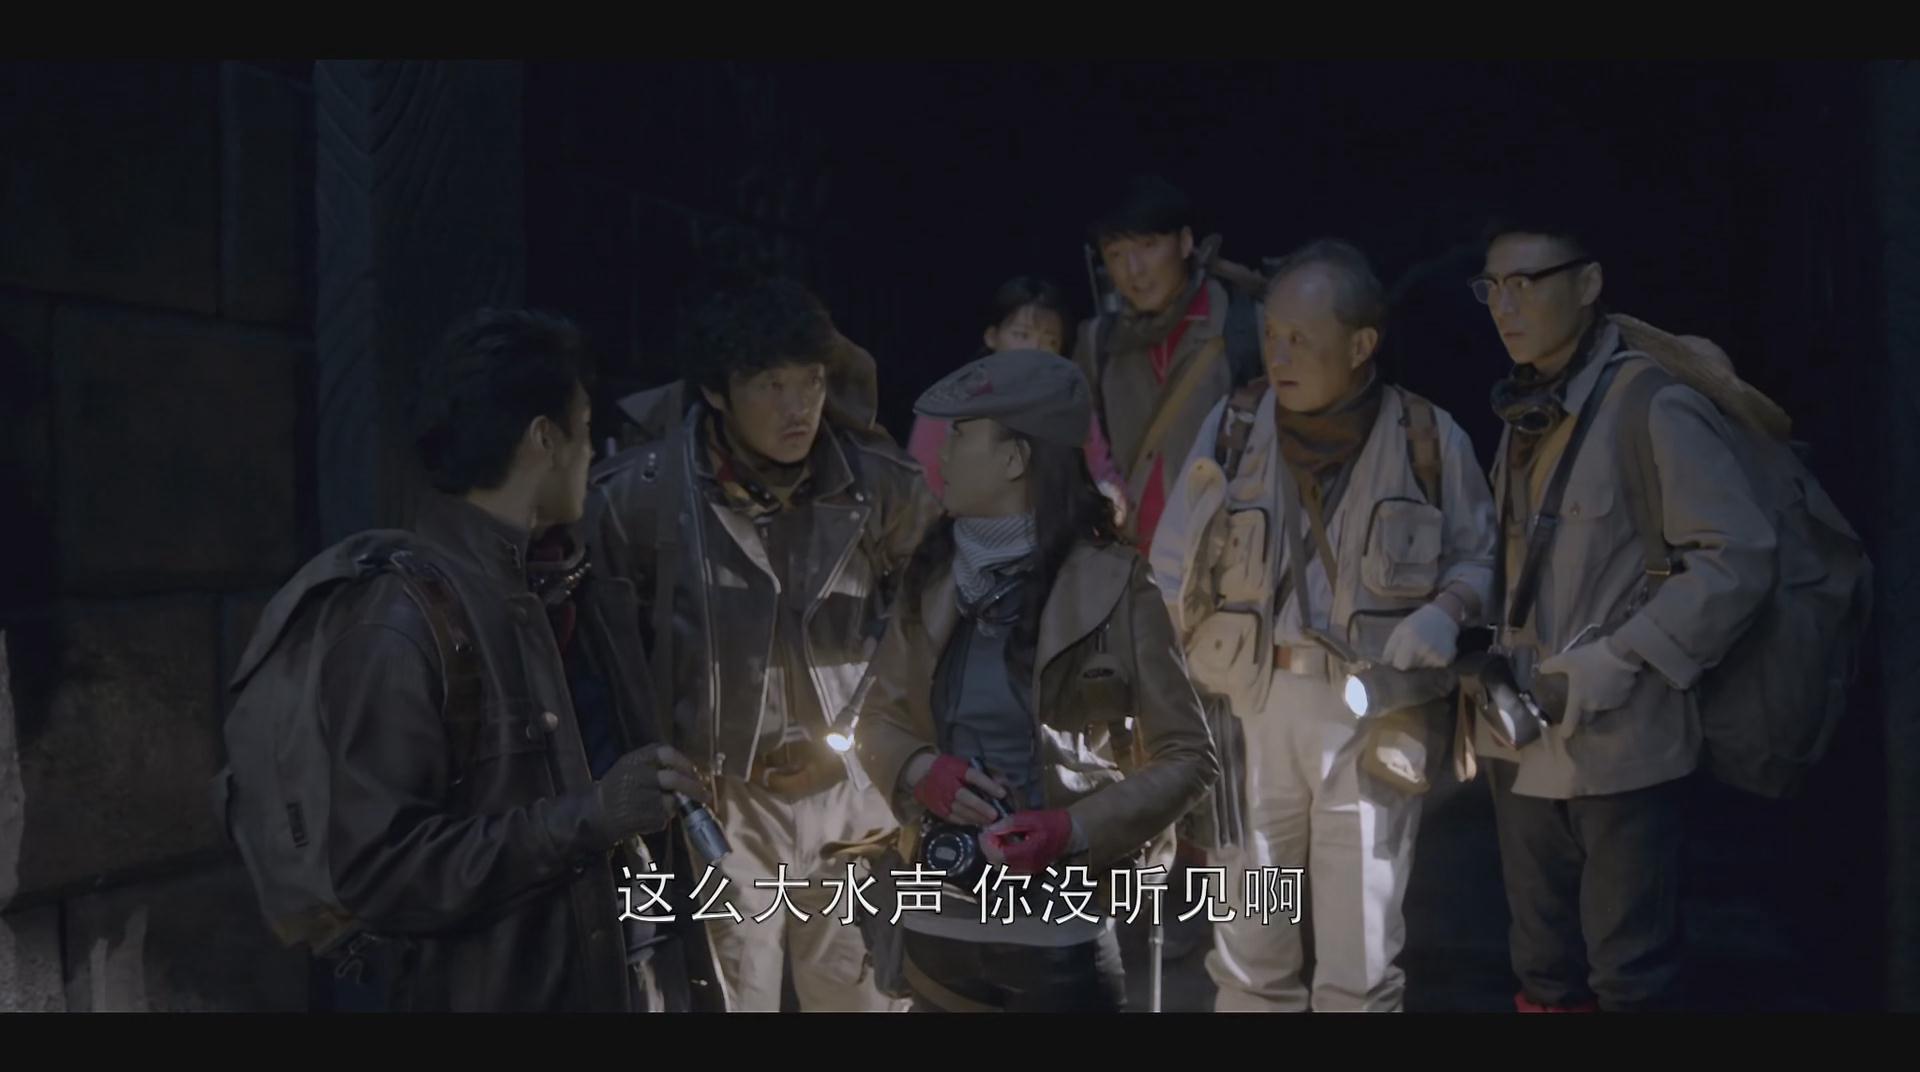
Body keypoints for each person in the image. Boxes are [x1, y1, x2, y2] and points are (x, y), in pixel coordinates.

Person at [222, 308, 708, 1011]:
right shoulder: (401, 619)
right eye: (582, 426)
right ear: (544, 438)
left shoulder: (575, 582)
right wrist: (591, 816)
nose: (592, 452)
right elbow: (382, 871)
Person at [1151, 240, 1499, 1011]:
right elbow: (1171, 567)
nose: (1279, 355)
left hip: (1374, 719)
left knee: (1360, 952)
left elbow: (1480, 559)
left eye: (1301, 339)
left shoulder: (1427, 437)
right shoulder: (1236, 426)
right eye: (1272, 335)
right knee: (1250, 944)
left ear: (1362, 343)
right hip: (1249, 713)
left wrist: (1447, 611)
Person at [587, 275, 941, 1012]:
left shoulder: (878, 483)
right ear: (716, 391)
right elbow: (610, 656)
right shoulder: (643, 495)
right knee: (732, 995)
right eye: (771, 385)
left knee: (863, 995)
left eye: (810, 381)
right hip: (723, 798)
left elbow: (932, 625)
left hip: (853, 790)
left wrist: (869, 749)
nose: (797, 406)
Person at [1469, 216, 1775, 1012]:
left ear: (1589, 283)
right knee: (1541, 969)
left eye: (1525, 283)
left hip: (1623, 743)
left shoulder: (1650, 403)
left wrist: (1624, 656)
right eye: (1491, 287)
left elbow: (1739, 556)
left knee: (1630, 971)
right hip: (1520, 736)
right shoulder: (1525, 413)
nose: (1505, 306)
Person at [853, 348, 1218, 1012]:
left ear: (1016, 459)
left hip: (1059, 935)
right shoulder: (930, 573)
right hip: (937, 926)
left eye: (962, 435)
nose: (941, 452)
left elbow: (1189, 756)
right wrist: (920, 769)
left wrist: (1070, 830)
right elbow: (876, 720)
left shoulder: (1114, 582)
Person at [1071, 174, 1265, 558]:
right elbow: (1081, 443)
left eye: (1148, 245)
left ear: (1185, 242)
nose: (1134, 270)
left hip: (1229, 563)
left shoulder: (1243, 325)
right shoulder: (1097, 344)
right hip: (1132, 567)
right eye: (1116, 254)